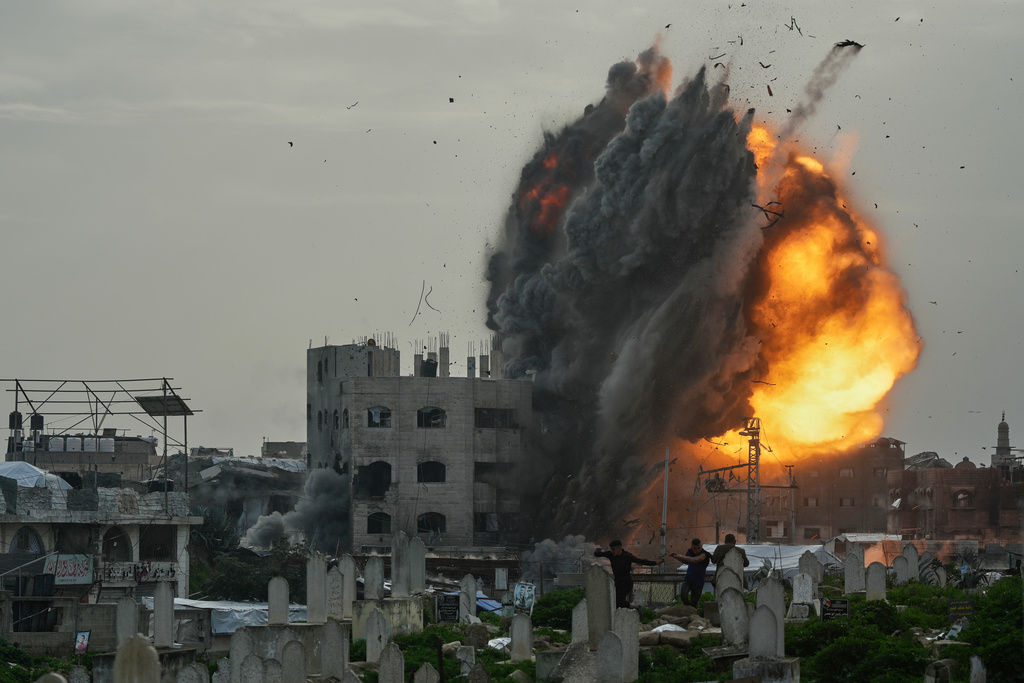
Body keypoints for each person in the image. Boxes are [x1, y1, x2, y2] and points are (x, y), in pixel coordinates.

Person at [594, 540, 662, 609]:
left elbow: (640, 561)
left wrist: (655, 563)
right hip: (617, 583)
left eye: (613, 549)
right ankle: (634, 609)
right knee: (614, 601)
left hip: (626, 583)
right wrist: (597, 551)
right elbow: (598, 554)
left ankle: (635, 607)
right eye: (611, 549)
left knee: (618, 600)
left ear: (619, 548)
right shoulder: (611, 554)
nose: (612, 551)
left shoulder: (627, 556)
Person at [670, 538, 710, 607]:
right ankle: (688, 609)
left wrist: (680, 556)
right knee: (683, 595)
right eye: (695, 548)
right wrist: (676, 557)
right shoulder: (689, 552)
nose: (697, 550)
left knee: (694, 602)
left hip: (699, 582)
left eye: (699, 548)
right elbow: (686, 561)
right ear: (692, 547)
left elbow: (695, 560)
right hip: (689, 579)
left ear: (701, 546)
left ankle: (691, 611)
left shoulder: (704, 554)